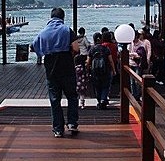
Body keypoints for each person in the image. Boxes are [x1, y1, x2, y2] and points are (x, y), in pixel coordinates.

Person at [32, 8, 80, 138]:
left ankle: (58, 129)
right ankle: (72, 123)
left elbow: (34, 46)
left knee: (55, 100)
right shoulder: (67, 30)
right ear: (62, 18)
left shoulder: (43, 32)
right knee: (72, 96)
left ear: (51, 17)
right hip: (67, 67)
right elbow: (76, 48)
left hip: (51, 69)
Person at [86, 32, 116, 109]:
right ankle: (103, 99)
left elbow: (88, 62)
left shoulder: (92, 49)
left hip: (95, 72)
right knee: (105, 86)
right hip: (106, 71)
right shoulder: (106, 48)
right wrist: (114, 70)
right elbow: (111, 60)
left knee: (97, 87)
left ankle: (99, 101)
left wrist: (87, 70)